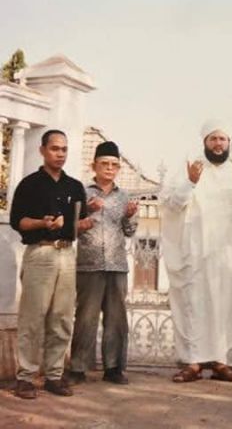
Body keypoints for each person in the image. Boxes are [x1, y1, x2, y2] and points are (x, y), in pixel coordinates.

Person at [160, 120, 232, 383]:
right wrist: (190, 182)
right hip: (195, 252)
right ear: (204, 142)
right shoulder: (190, 169)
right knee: (194, 305)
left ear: (229, 142)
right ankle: (193, 362)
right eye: (213, 139)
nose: (218, 144)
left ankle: (222, 362)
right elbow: (172, 205)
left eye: (222, 139)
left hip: (228, 254)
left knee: (226, 307)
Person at [9, 129, 93, 399]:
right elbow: (18, 222)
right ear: (42, 150)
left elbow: (79, 223)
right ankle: (25, 377)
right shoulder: (30, 185)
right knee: (33, 317)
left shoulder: (74, 187)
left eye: (64, 149)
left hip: (67, 254)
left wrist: (84, 224)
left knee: (62, 317)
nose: (60, 154)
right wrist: (42, 223)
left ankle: (54, 375)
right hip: (40, 253)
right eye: (55, 148)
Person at [66, 141, 138, 386]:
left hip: (117, 265)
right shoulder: (82, 192)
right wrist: (86, 210)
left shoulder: (124, 196)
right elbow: (70, 228)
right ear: (93, 165)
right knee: (86, 318)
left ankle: (114, 368)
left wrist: (129, 216)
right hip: (89, 264)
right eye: (104, 163)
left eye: (114, 165)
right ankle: (78, 368)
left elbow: (129, 231)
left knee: (116, 320)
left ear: (118, 168)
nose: (109, 168)